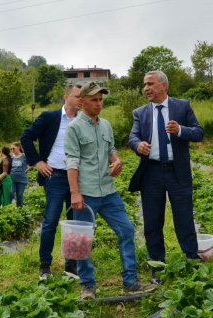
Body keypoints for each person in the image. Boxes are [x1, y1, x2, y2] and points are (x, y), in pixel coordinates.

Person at [65, 82, 156, 300]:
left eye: (101, 100)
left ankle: (130, 281)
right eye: (94, 100)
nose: (99, 104)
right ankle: (87, 285)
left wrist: (117, 161)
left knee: (126, 230)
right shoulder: (74, 128)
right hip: (85, 194)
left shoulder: (105, 125)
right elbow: (72, 162)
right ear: (82, 101)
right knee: (81, 240)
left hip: (108, 191)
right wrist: (75, 193)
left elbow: (112, 151)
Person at [128, 70, 204, 284]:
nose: (146, 88)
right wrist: (137, 145)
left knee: (184, 219)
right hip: (151, 172)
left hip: (176, 171)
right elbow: (132, 136)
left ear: (164, 86)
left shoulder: (182, 106)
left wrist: (180, 130)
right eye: (144, 84)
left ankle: (192, 264)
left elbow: (198, 132)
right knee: (152, 222)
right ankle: (157, 268)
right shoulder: (140, 112)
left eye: (150, 84)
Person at [20, 84, 81, 280]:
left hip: (78, 178)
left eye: (83, 97)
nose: (81, 100)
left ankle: (71, 265)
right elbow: (26, 137)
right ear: (66, 97)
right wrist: (37, 162)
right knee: (50, 222)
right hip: (54, 176)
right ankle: (45, 265)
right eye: (77, 96)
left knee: (74, 222)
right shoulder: (50, 117)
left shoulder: (85, 120)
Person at [9, 142, 31, 207]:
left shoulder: (24, 156)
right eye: (11, 149)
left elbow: (34, 162)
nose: (12, 150)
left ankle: (19, 210)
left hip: (22, 180)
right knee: (10, 194)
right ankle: (8, 210)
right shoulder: (10, 157)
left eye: (13, 148)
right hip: (12, 179)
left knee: (19, 196)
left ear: (18, 147)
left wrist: (28, 169)